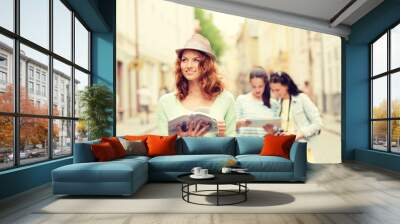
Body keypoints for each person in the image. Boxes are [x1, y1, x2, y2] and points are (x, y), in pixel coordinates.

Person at [157, 34, 236, 137]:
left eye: (196, 60)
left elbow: (232, 146)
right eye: (184, 60)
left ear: (207, 64)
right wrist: (183, 138)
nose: (189, 66)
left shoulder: (226, 99)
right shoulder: (166, 102)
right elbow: (162, 148)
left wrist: (222, 136)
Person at [269, 71, 322, 161]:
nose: (275, 93)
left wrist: (298, 135)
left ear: (287, 86)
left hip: (301, 150)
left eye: (277, 90)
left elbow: (318, 124)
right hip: (284, 151)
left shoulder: (302, 99)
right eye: (272, 90)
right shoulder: (278, 103)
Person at [235, 67, 279, 136]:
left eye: (260, 86)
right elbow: (232, 125)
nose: (257, 90)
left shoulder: (274, 104)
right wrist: (240, 123)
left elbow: (277, 131)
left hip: (266, 143)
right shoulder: (241, 100)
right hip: (245, 144)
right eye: (254, 86)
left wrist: (272, 131)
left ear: (265, 84)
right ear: (250, 83)